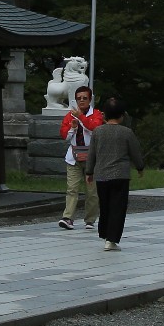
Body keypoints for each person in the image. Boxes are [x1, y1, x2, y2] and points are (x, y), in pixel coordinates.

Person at [86, 97, 144, 250]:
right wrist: (140, 167)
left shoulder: (97, 132)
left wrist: (89, 171)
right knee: (118, 207)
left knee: (104, 206)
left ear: (104, 115)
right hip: (120, 175)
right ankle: (111, 239)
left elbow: (91, 153)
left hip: (102, 174)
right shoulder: (127, 132)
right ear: (122, 116)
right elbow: (135, 152)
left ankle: (105, 234)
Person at [58, 84, 101, 230]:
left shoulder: (96, 114)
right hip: (74, 156)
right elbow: (64, 135)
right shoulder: (69, 116)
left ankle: (90, 220)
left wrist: (80, 117)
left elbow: (95, 128)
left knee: (92, 191)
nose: (81, 101)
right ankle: (67, 218)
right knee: (72, 188)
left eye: (84, 98)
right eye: (79, 98)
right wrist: (73, 127)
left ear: (90, 100)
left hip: (91, 157)